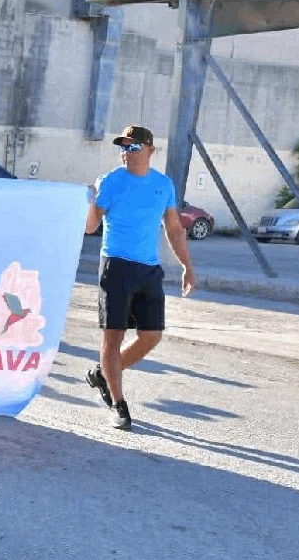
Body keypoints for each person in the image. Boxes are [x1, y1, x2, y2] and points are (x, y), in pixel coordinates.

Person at [84, 125, 196, 431]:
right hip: (116, 266)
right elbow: (91, 226)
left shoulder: (163, 185)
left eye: (133, 147)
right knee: (113, 336)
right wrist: (90, 201)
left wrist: (187, 265)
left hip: (149, 269)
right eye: (122, 147)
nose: (126, 152)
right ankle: (118, 404)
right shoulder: (111, 181)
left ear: (150, 150)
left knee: (151, 335)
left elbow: (173, 229)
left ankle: (103, 373)